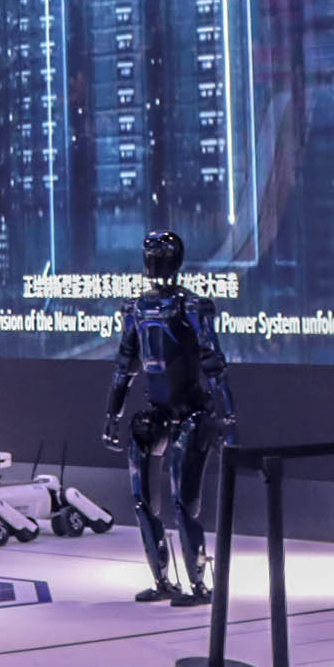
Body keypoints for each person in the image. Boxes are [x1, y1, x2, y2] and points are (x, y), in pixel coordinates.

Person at [105, 228, 234, 607]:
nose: (153, 262)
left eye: (159, 256)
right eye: (150, 255)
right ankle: (162, 580)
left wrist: (227, 418)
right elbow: (125, 365)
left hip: (191, 413)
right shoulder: (135, 308)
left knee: (183, 503)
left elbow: (213, 363)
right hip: (156, 413)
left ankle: (199, 585)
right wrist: (112, 413)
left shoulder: (190, 306)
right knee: (142, 501)